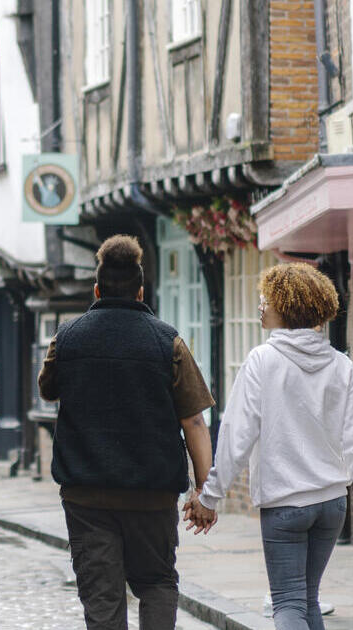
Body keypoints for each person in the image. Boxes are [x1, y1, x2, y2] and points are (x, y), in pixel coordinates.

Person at [188, 263, 353, 630]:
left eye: (268, 299)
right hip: (331, 504)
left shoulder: (262, 361)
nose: (261, 305)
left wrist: (210, 495)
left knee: (289, 604)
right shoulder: (341, 365)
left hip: (285, 504)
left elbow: (236, 436)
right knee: (307, 600)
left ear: (288, 306)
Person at [39, 235, 215, 630]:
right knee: (156, 583)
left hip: (87, 496)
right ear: (140, 291)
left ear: (97, 289)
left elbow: (47, 388)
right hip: (152, 496)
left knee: (102, 597)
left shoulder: (67, 338)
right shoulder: (167, 341)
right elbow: (194, 422)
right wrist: (204, 489)